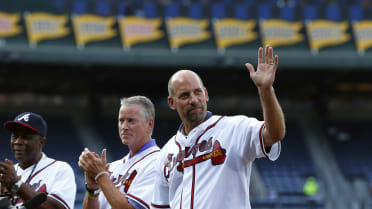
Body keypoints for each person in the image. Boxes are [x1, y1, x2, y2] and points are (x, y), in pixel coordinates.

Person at [151, 45, 286, 209]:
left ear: (206, 95)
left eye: (197, 92)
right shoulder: (166, 153)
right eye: (185, 95)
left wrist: (266, 90)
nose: (193, 99)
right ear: (172, 103)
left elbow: (274, 134)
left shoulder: (234, 128)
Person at [79, 95, 160, 209]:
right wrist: (92, 189)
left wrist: (100, 176)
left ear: (149, 124)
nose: (124, 127)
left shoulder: (159, 162)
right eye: (121, 121)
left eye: (131, 121)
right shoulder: (113, 167)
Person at [0, 112, 76, 209]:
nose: (17, 142)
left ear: (41, 142)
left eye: (25, 137)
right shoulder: (7, 175)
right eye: (15, 136)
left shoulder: (60, 169)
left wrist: (17, 184)